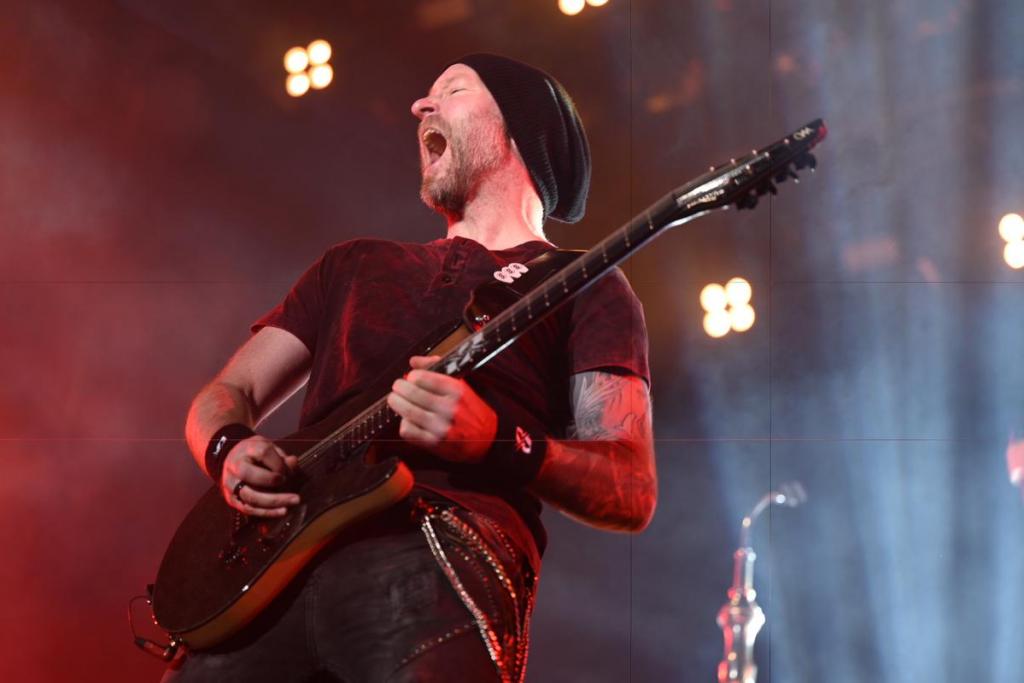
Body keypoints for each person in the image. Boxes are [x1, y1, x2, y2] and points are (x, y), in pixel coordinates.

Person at [163, 54, 657, 683]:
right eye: (426, 95)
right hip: (270, 575)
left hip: (438, 552)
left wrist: (497, 440)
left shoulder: (585, 283)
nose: (421, 106)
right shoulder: (352, 264)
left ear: (520, 131)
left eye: (452, 90)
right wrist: (229, 449)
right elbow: (229, 391)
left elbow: (631, 488)